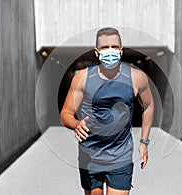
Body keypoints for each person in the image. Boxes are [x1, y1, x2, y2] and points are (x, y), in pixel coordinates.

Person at [60, 27, 154, 195]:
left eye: (114, 47)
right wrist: (76, 124)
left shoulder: (136, 77)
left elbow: (148, 106)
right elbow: (66, 112)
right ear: (97, 52)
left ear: (121, 50)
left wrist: (144, 142)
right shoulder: (82, 77)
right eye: (104, 47)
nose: (110, 51)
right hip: (90, 156)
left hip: (121, 156)